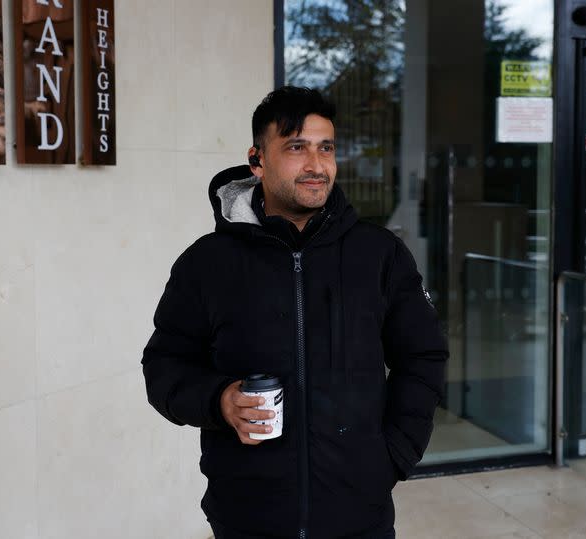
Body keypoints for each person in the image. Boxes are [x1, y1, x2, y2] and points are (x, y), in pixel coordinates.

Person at [142, 86, 448, 539]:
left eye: (326, 148)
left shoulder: (379, 255)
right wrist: (219, 400)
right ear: (257, 159)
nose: (317, 165)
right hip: (247, 515)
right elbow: (164, 366)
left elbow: (422, 356)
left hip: (359, 517)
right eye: (296, 148)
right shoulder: (207, 263)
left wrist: (394, 454)